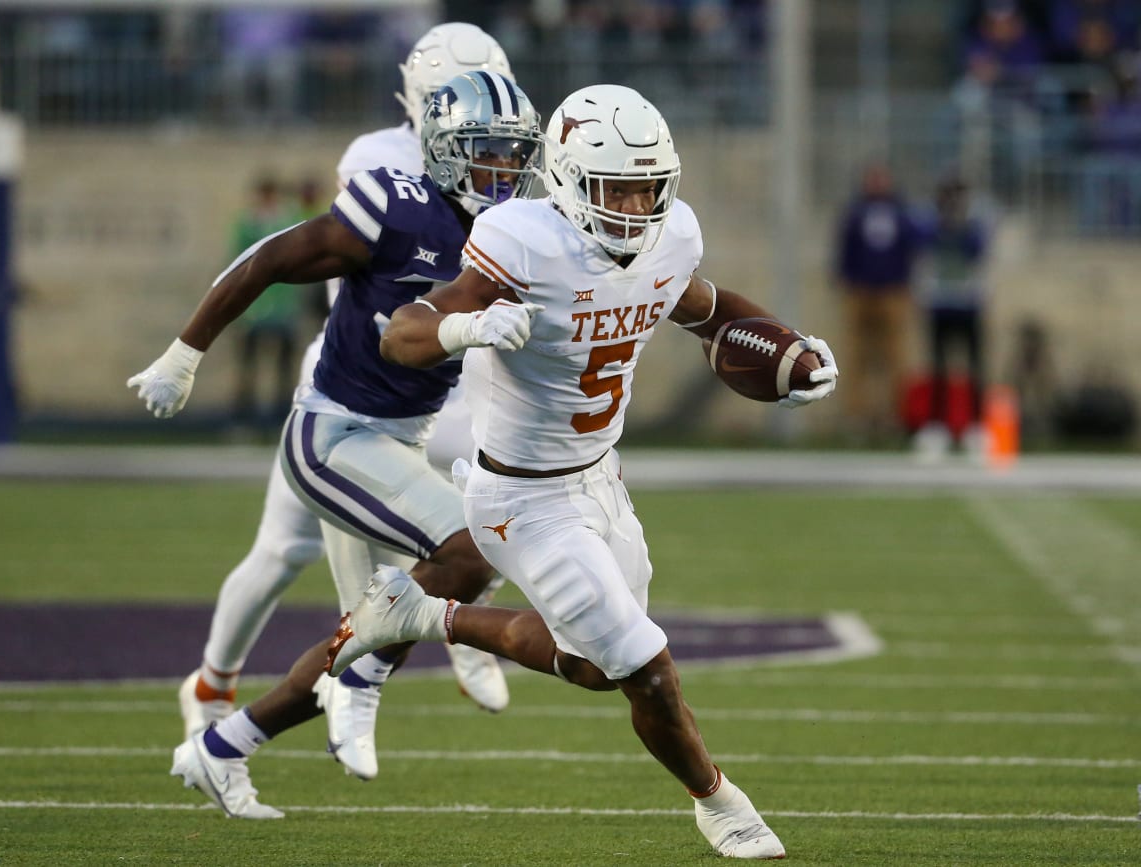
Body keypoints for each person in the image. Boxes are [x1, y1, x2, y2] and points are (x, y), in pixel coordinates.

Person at [337, 84, 839, 859]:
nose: (637, 206)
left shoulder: (670, 237)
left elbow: (707, 310)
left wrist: (788, 348)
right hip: (521, 499)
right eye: (617, 188)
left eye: (649, 187)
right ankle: (722, 803)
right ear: (568, 180)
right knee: (645, 666)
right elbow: (403, 333)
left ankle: (421, 614)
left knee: (592, 666)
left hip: (602, 481)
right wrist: (467, 327)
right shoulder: (524, 241)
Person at [127, 69, 544, 817]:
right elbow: (269, 259)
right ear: (443, 150)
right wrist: (184, 354)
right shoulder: (397, 205)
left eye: (514, 153)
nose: (502, 168)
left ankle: (225, 746)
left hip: (401, 443)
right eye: (485, 150)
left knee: (394, 608)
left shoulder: (516, 233)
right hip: (334, 432)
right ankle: (357, 681)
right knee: (470, 552)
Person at [833, 159, 923, 443]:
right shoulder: (855, 212)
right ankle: (856, 417)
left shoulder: (901, 212)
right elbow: (845, 249)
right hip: (860, 290)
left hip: (892, 291)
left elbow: (911, 247)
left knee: (895, 356)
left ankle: (894, 417)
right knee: (856, 356)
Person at [912, 175, 992, 459]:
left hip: (969, 304)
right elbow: (921, 241)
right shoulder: (931, 223)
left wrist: (960, 226)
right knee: (938, 369)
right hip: (940, 303)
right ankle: (936, 427)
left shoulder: (975, 223)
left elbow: (977, 249)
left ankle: (976, 427)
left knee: (975, 368)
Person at [229, 173, 303, 428]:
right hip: (253, 306)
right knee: (248, 364)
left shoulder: (289, 222)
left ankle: (281, 416)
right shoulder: (248, 224)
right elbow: (238, 261)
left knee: (284, 365)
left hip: (283, 306)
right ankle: (244, 419)